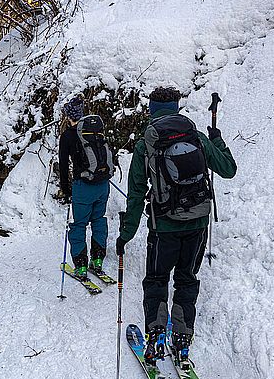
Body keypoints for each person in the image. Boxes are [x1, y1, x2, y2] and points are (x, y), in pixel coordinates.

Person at [115, 86, 236, 364]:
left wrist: (126, 235)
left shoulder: (145, 145)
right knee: (186, 279)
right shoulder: (197, 138)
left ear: (151, 110)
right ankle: (182, 337)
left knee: (157, 279)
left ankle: (156, 334)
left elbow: (135, 194)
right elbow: (228, 169)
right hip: (197, 225)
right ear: (177, 107)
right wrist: (217, 141)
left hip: (163, 228)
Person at [58, 96, 114, 280]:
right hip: (102, 184)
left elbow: (64, 165)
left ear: (68, 115)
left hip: (83, 187)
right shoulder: (95, 132)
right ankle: (97, 261)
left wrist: (66, 190)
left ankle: (81, 266)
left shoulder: (67, 136)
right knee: (98, 219)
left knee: (79, 224)